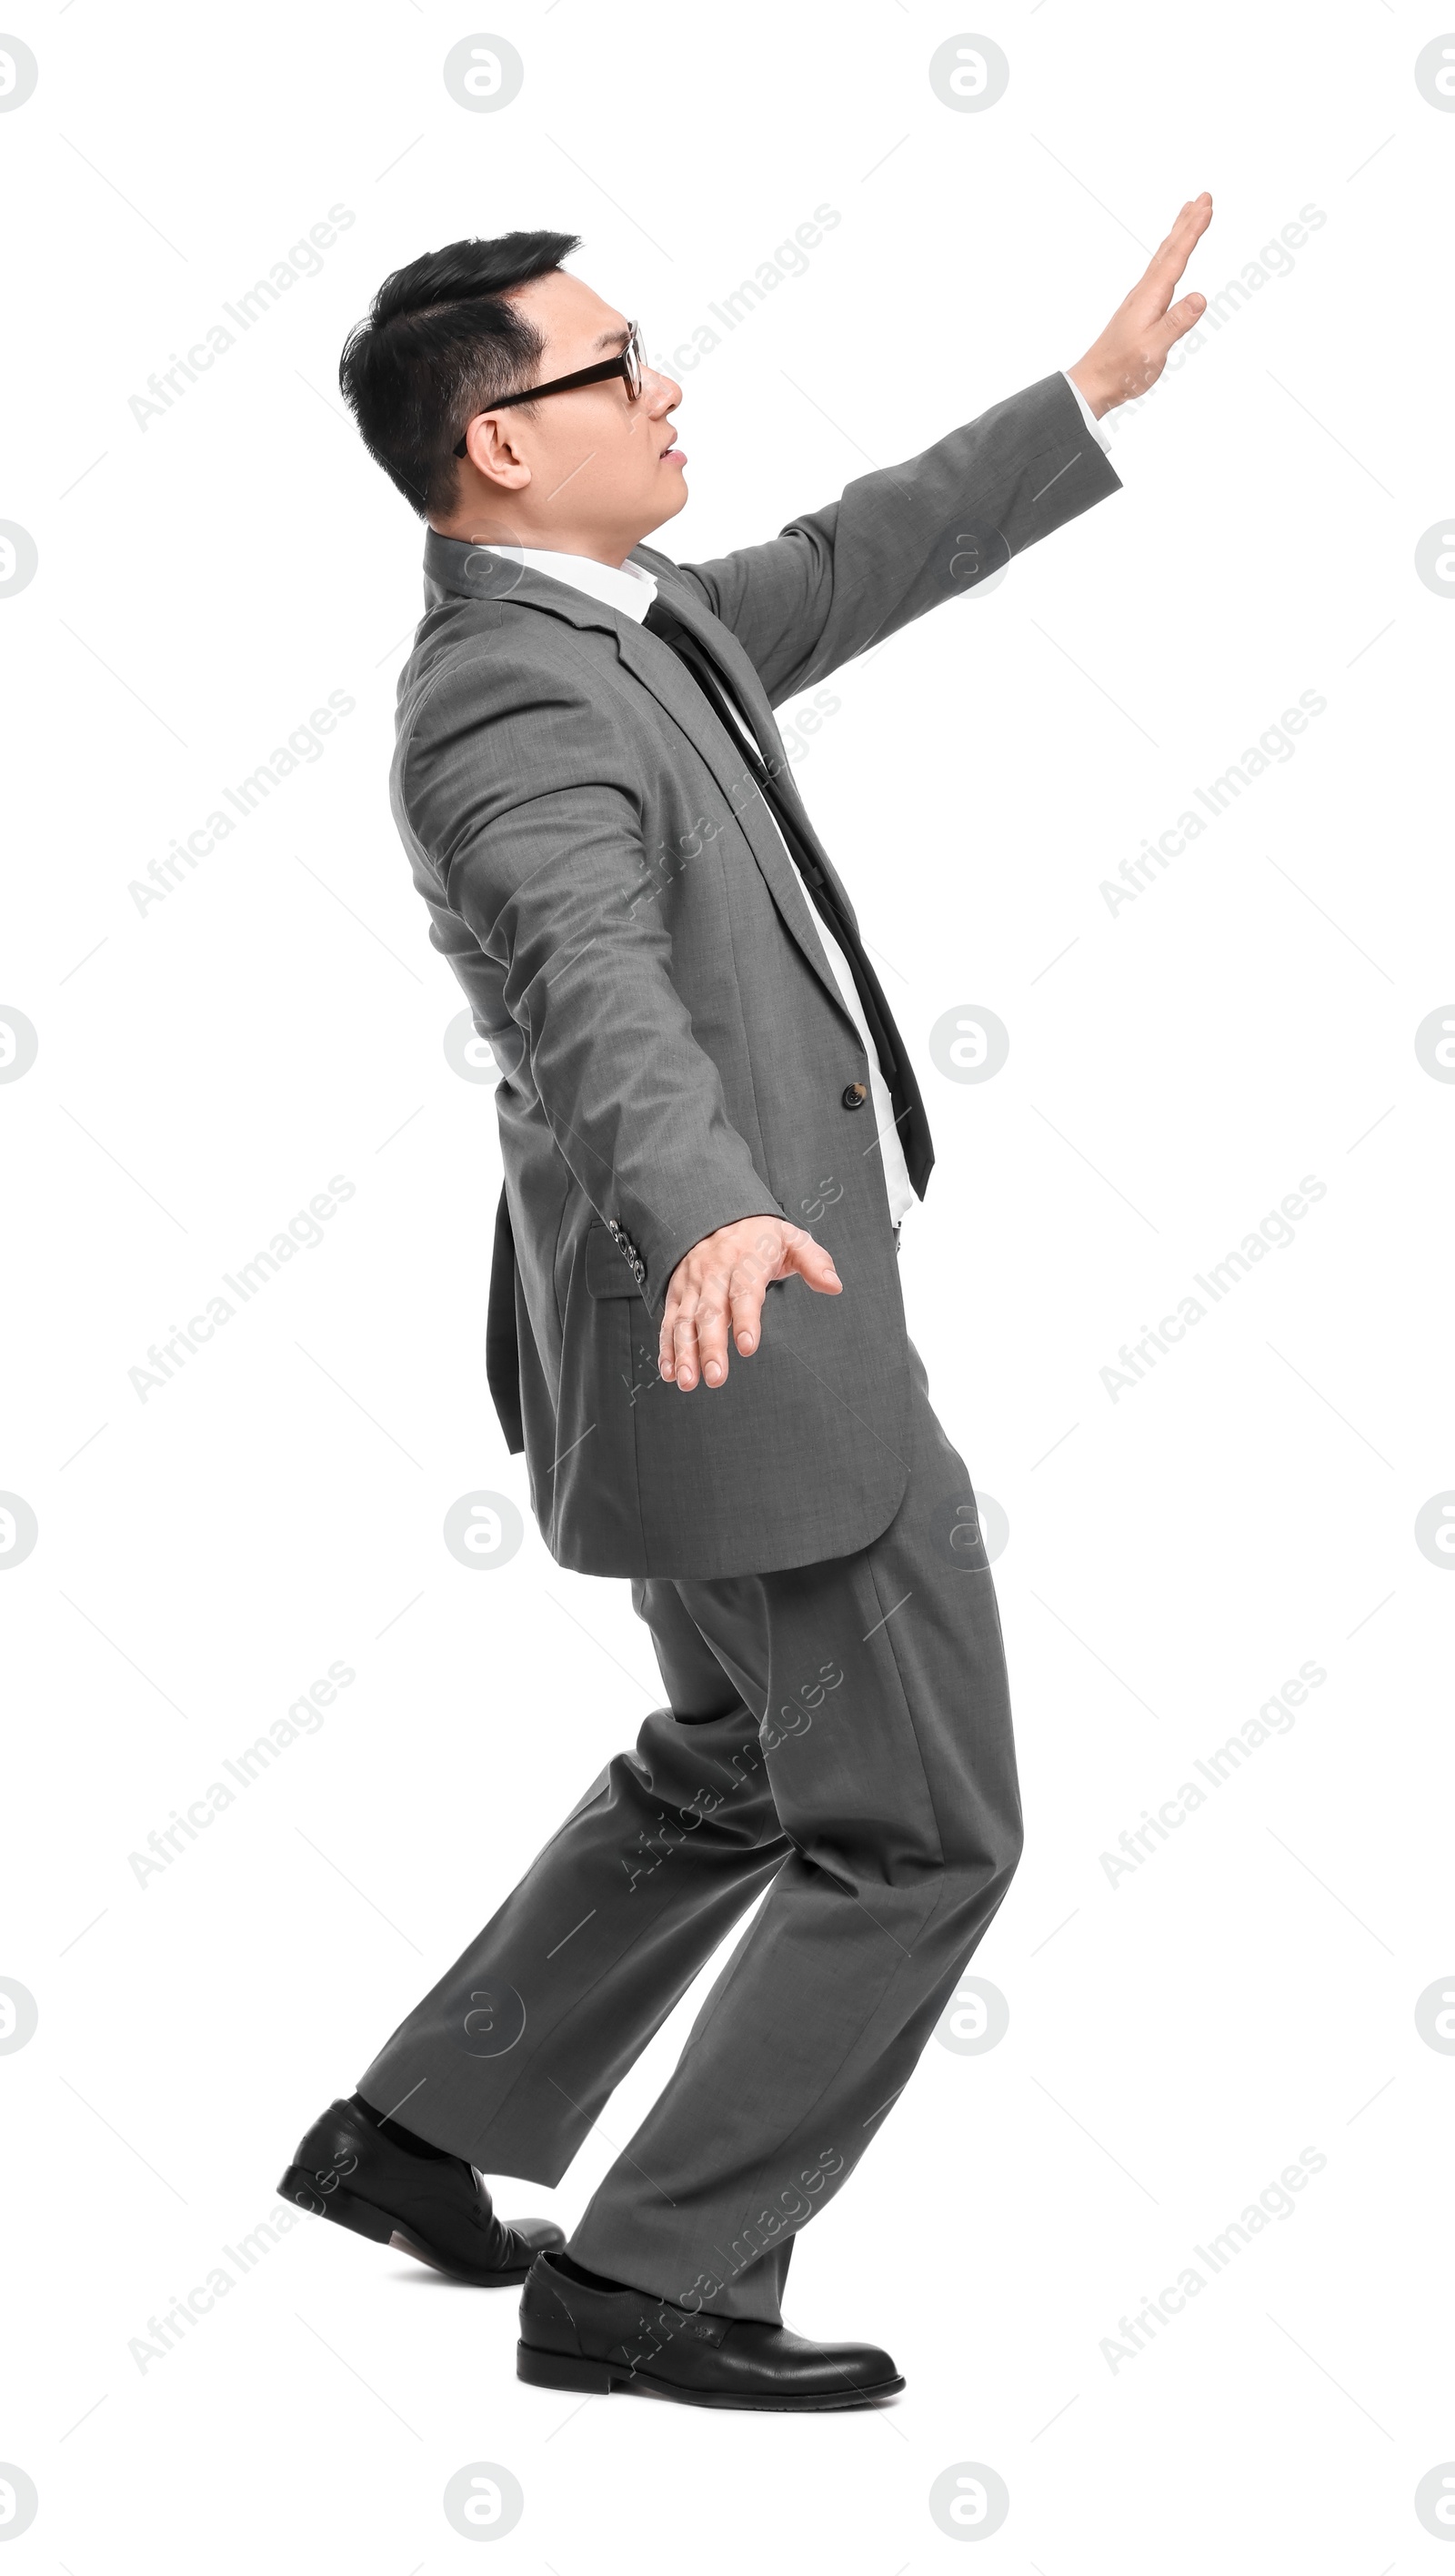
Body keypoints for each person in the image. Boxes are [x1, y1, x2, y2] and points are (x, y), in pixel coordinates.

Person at [279, 196, 1213, 2410]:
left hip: (690, 1329)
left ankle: (419, 2130)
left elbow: (850, 556)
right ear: (500, 443)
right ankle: (657, 2282)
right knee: (918, 1826)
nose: (666, 385)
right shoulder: (506, 706)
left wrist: (1082, 397)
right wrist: (705, 1211)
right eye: (615, 367)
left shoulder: (634, 622)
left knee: (725, 1762)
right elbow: (587, 987)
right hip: (739, 1331)